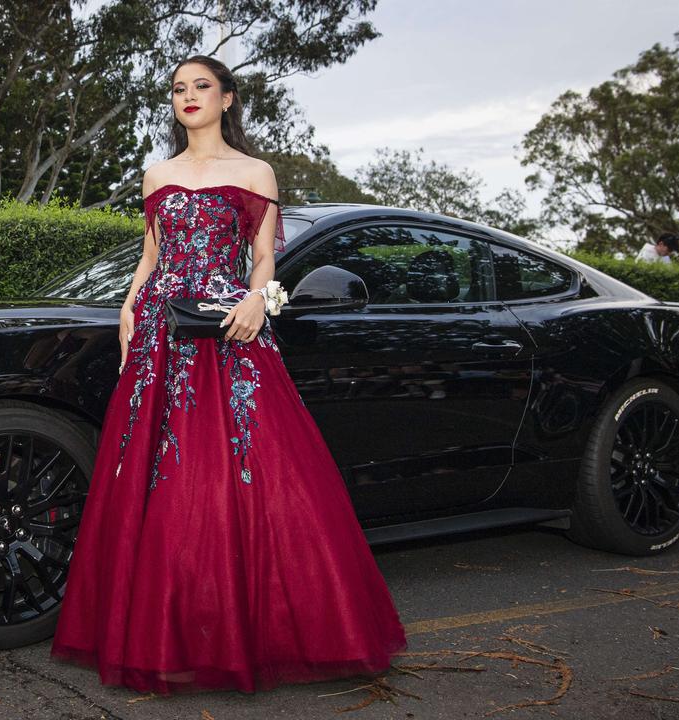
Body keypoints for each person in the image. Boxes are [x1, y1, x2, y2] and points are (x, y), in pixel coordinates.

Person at [50, 54, 407, 694]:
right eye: (179, 89)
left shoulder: (255, 172)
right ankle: (158, 631)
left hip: (229, 327)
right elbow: (150, 255)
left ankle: (258, 630)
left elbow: (265, 256)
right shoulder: (155, 173)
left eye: (202, 87)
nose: (189, 97)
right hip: (160, 333)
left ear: (229, 99)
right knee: (155, 477)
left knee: (248, 472)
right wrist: (129, 309)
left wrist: (254, 300)